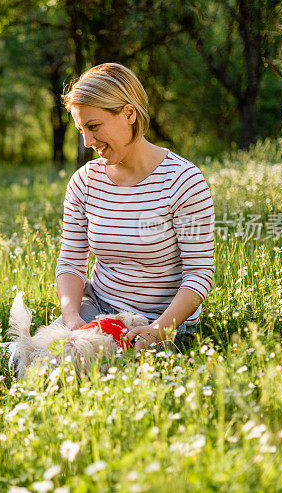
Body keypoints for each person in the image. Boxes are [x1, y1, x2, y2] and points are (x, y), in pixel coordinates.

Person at [56, 63, 215, 352]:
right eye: (81, 130)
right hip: (98, 310)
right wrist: (71, 318)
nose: (87, 142)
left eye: (93, 127)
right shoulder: (85, 181)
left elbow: (199, 273)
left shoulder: (183, 180)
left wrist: (158, 330)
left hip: (162, 322)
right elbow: (70, 262)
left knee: (84, 365)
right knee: (38, 356)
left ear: (129, 113)